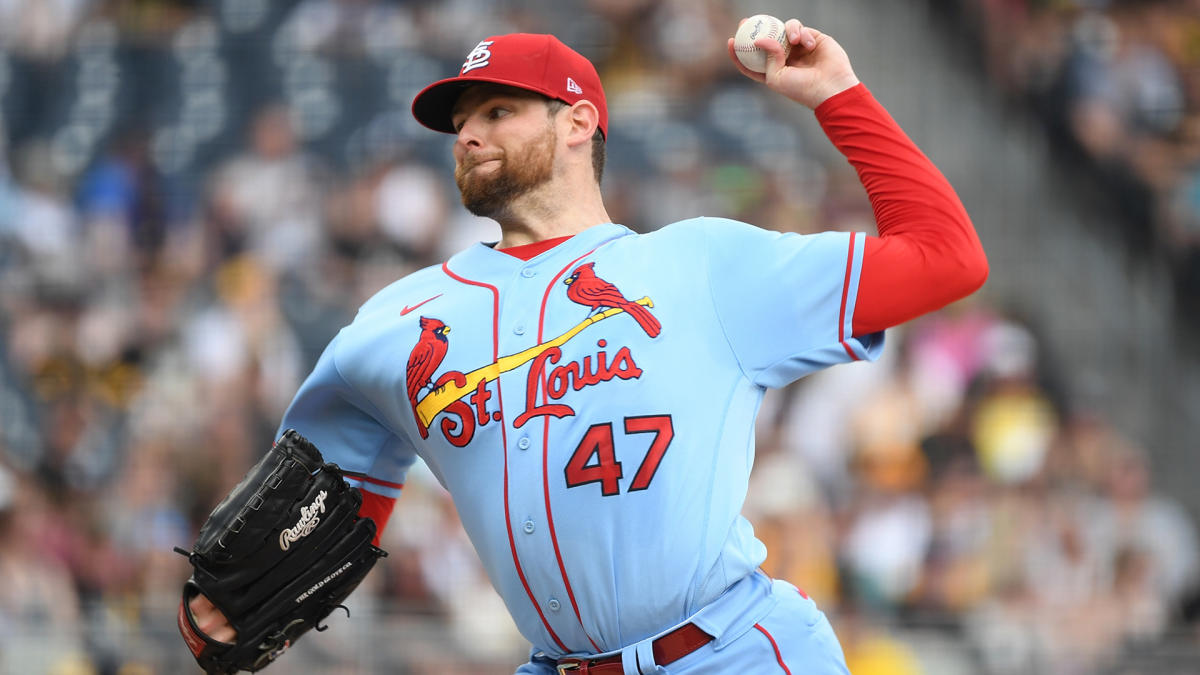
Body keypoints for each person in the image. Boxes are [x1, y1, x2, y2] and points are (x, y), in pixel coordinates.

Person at [187, 17, 987, 674]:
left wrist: (837, 97)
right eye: (460, 120)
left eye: (497, 111)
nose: (467, 133)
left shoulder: (704, 264)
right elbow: (333, 495)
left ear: (578, 123)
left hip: (734, 650)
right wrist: (237, 600)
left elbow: (948, 257)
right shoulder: (396, 324)